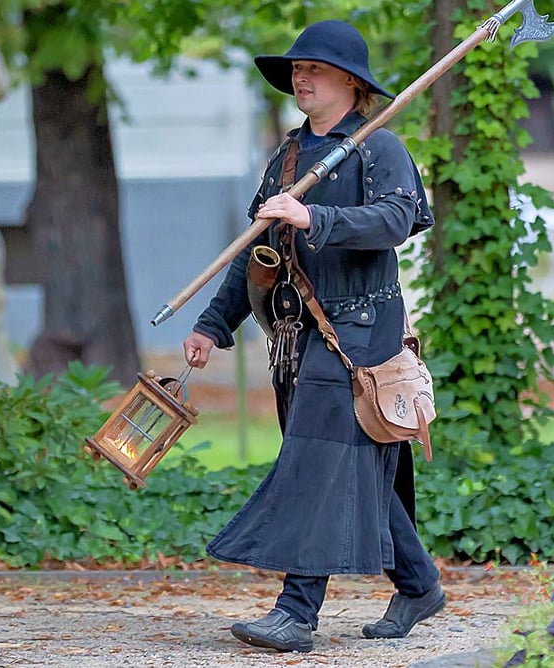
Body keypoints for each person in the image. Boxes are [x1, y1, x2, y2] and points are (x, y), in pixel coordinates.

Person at [182, 19, 444, 654]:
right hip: (298, 339)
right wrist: (213, 325)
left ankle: (295, 612)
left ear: (350, 82)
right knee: (347, 460)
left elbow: (395, 219)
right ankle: (418, 585)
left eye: (315, 69)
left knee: (316, 462)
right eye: (297, 69)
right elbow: (255, 250)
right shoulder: (289, 158)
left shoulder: (379, 147)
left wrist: (315, 216)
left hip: (362, 332)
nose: (301, 78)